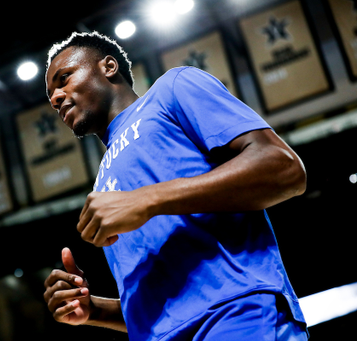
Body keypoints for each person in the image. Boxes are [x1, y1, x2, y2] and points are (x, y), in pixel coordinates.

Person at [42, 31, 309, 340]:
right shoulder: (103, 182)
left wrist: (147, 199)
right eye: (51, 96)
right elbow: (162, 303)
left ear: (108, 67)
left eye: (64, 79)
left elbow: (284, 168)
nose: (56, 97)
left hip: (234, 318)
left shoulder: (172, 89)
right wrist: (92, 310)